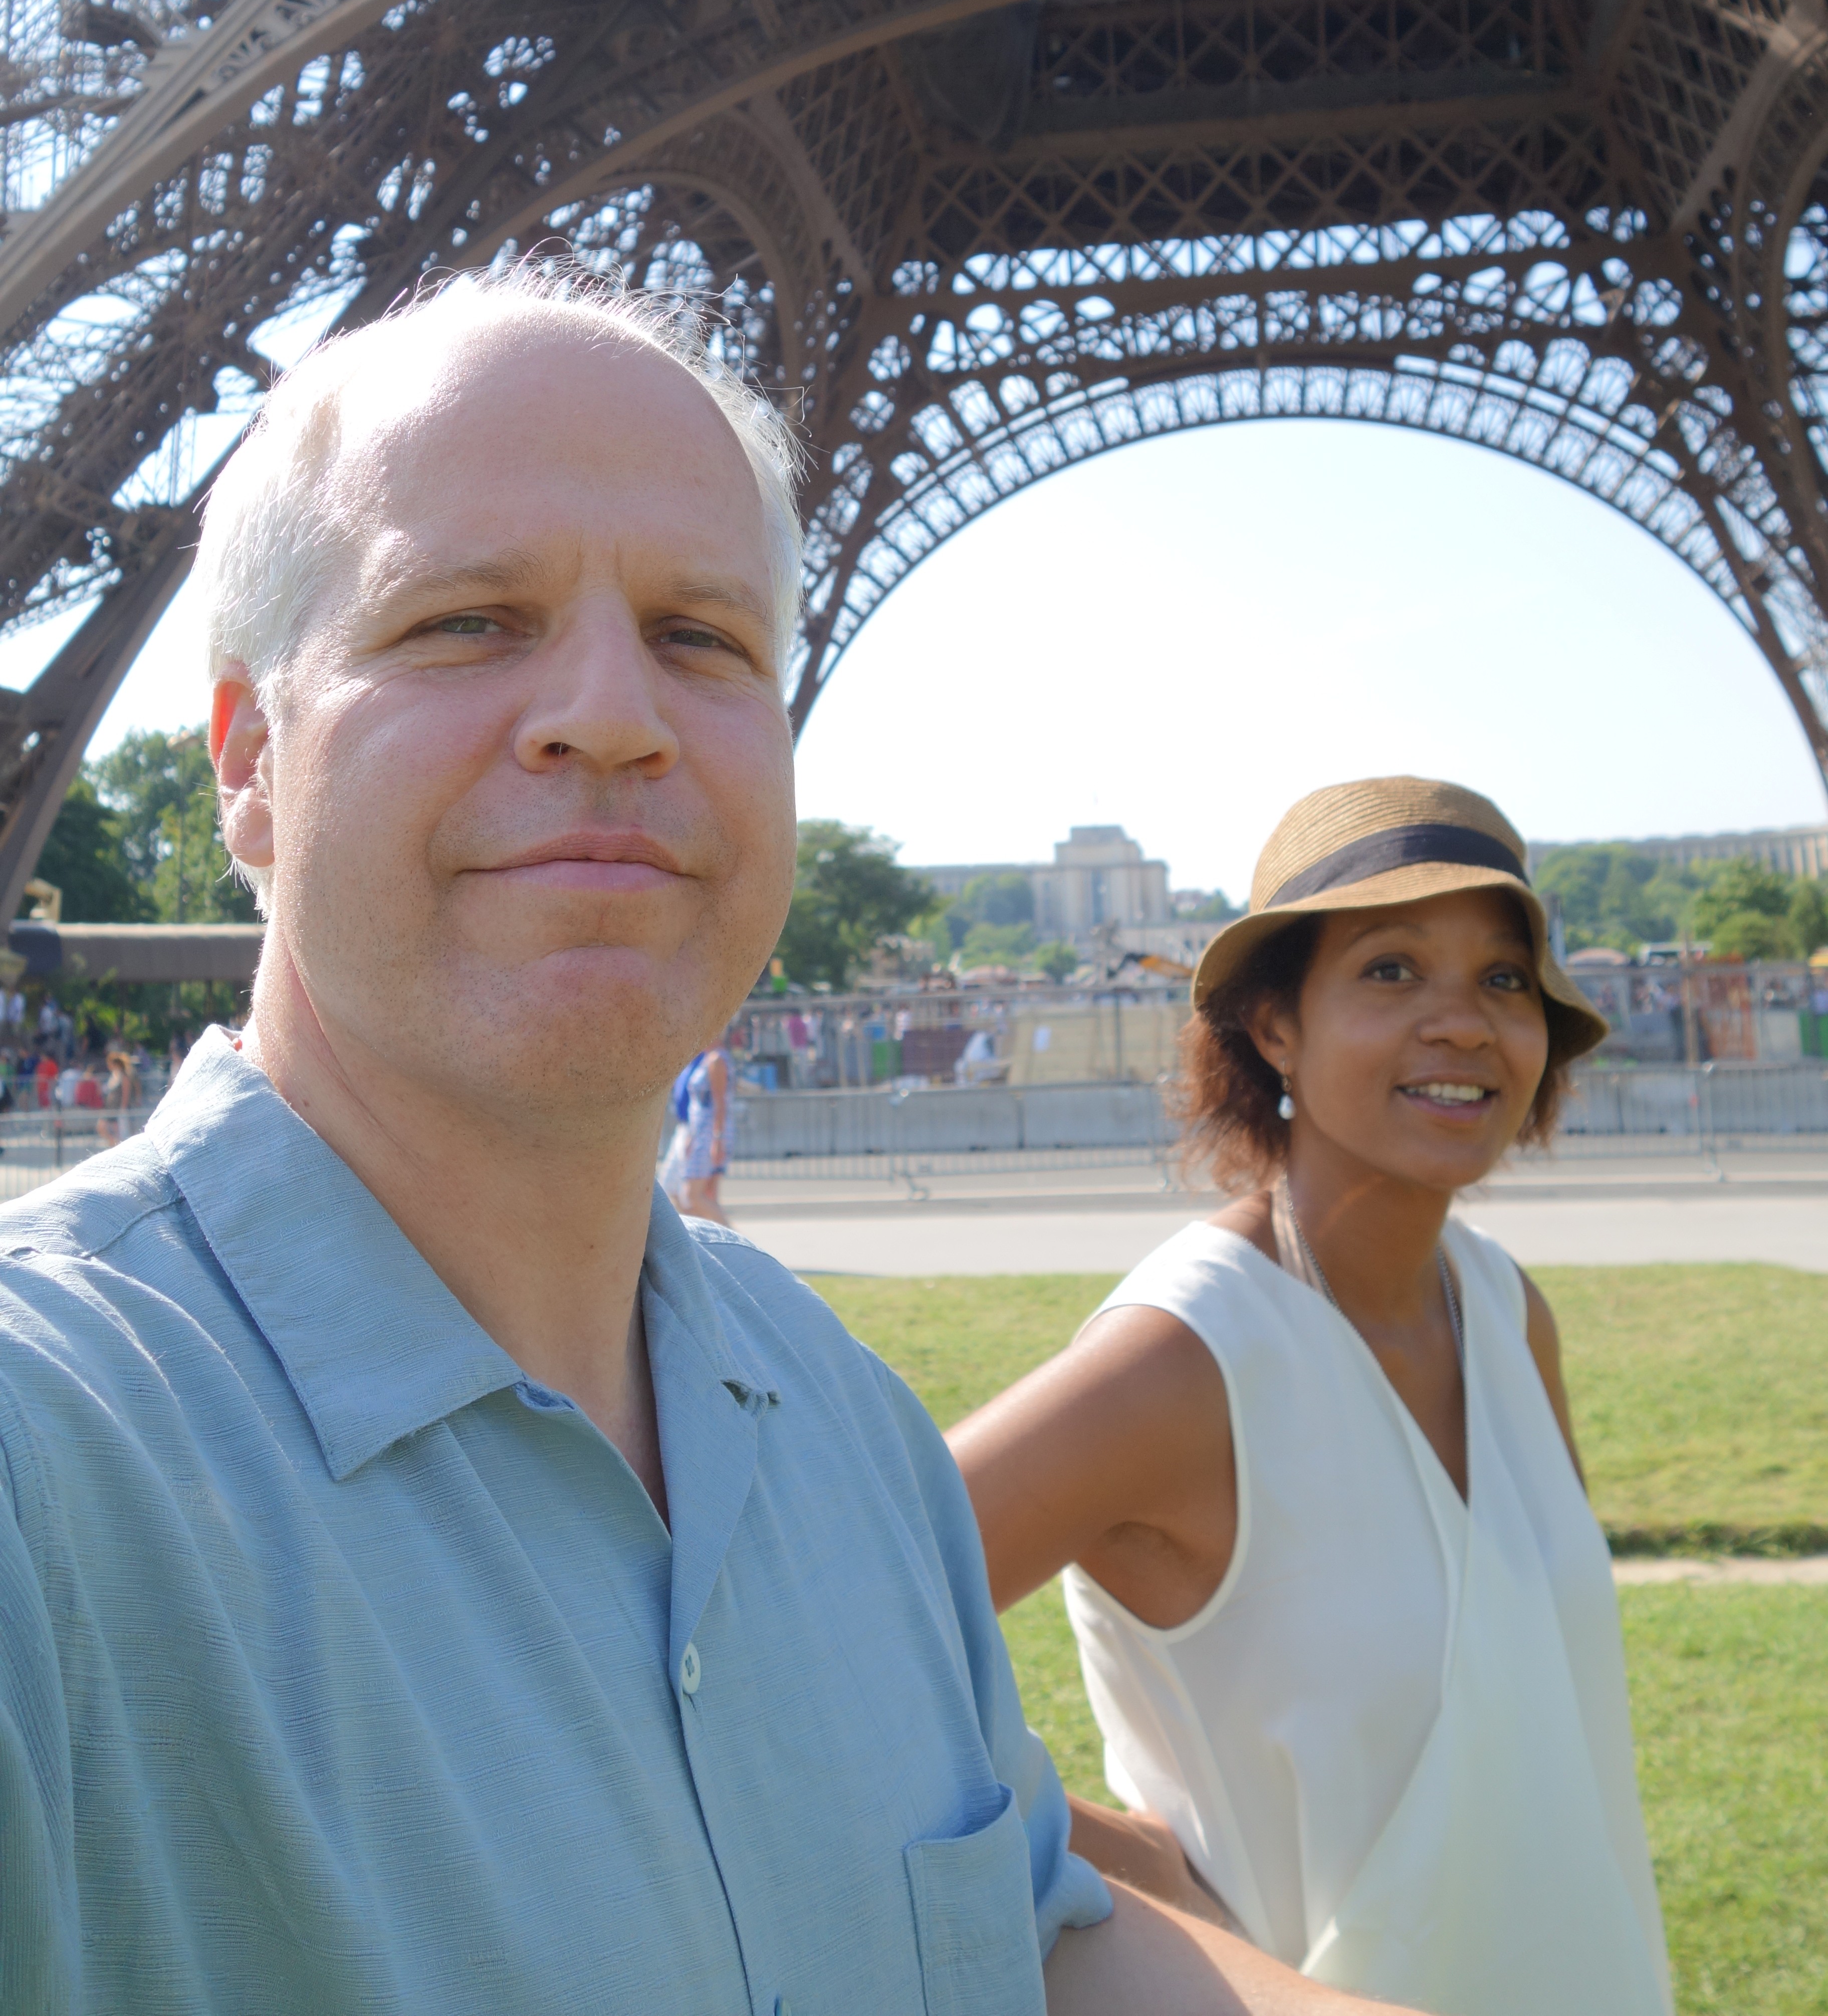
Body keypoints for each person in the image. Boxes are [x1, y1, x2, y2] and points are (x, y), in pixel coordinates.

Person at [0, 269, 1421, 2016]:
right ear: (247, 761)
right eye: (464, 619)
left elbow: (1040, 1944)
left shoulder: (844, 1420)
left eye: (702, 637)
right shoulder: (38, 1462)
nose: (613, 710)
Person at [953, 777, 1672, 2016]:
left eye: (1505, 979)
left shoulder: (1504, 1311)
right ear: (1274, 1023)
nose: (1463, 1021)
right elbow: (813, 1644)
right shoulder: (1183, 1359)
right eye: (1392, 969)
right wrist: (1119, 1864)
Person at [660, 1034, 731, 1220]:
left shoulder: (715, 1060)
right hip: (697, 1130)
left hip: (707, 1133)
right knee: (697, 1195)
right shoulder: (706, 1058)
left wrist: (718, 1138)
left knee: (692, 1195)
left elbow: (720, 1103)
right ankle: (709, 1241)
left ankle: (734, 1242)